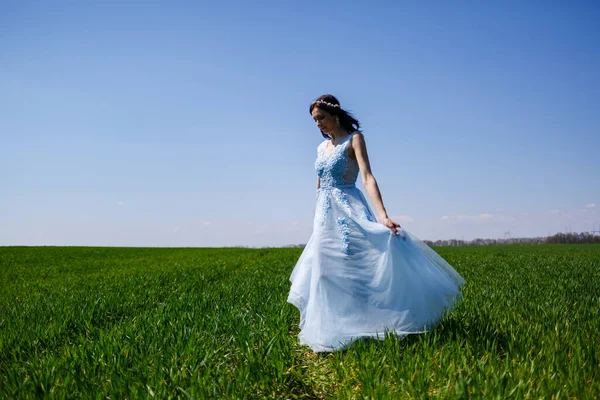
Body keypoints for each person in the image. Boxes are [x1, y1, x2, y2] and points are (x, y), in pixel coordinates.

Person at [287, 94, 466, 353]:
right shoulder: (319, 148)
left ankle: (376, 322)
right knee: (324, 272)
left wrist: (383, 215)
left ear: (335, 115)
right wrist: (318, 213)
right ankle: (328, 332)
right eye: (315, 121)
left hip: (349, 209)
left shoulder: (354, 139)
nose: (318, 125)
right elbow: (319, 183)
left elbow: (368, 177)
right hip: (325, 216)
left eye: (321, 118)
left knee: (357, 269)